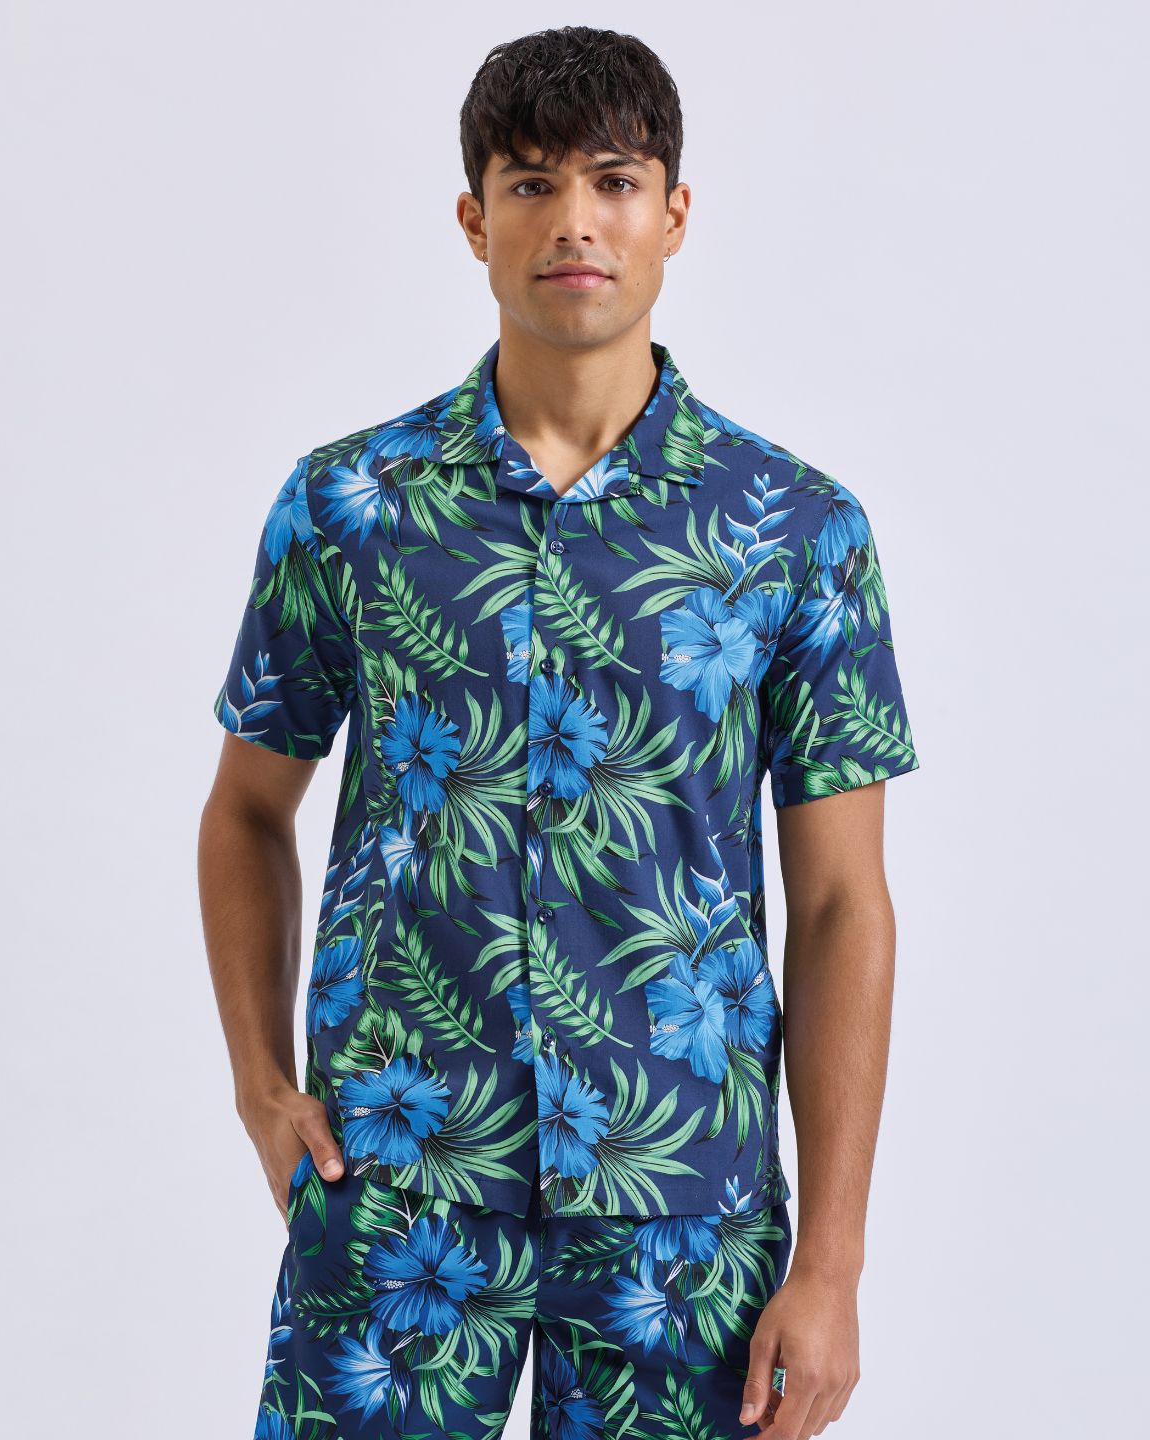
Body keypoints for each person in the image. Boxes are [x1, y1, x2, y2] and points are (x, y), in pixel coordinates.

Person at [197, 24, 920, 1440]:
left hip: (685, 1215)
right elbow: (245, 809)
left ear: (674, 215)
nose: (574, 220)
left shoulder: (795, 531)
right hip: (398, 1188)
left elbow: (843, 900)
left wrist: (831, 1264)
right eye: (530, 183)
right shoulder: (349, 507)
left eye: (614, 180)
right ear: (475, 221)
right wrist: (258, 1085)